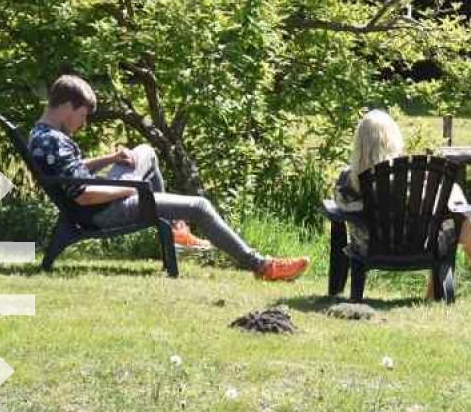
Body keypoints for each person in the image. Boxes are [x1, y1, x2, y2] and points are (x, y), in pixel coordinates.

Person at [28, 74, 310, 282]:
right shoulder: (54, 142)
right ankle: (262, 266)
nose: (84, 123)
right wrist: (128, 190)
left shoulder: (43, 135)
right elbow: (84, 195)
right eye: (83, 115)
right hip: (100, 211)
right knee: (200, 206)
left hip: (98, 203)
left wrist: (111, 159)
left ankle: (176, 231)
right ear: (68, 106)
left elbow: (72, 172)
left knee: (145, 152)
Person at [336, 109, 471, 292]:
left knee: (455, 210)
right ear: (391, 139)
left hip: (369, 248)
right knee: (456, 212)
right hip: (419, 244)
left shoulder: (348, 180)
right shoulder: (409, 177)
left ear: (359, 142)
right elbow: (435, 205)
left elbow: (340, 207)